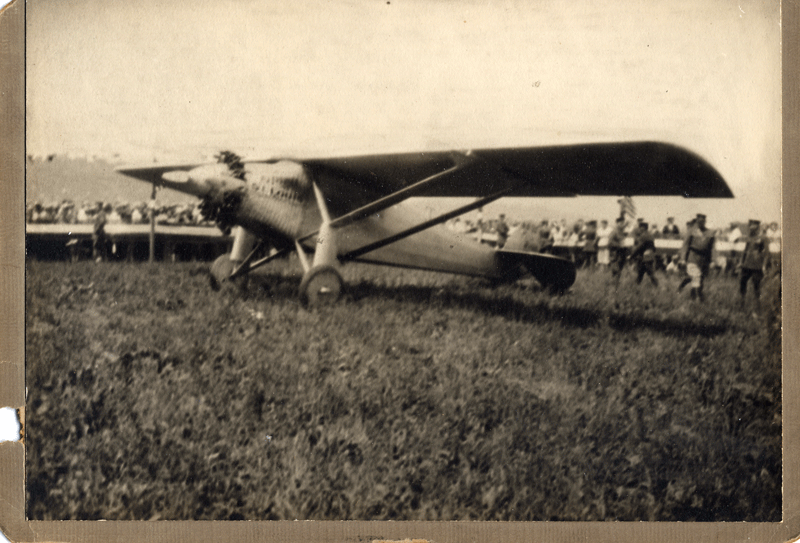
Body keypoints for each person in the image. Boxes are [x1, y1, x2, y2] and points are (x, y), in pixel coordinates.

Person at [679, 213, 714, 301]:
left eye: (702, 221)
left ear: (705, 221)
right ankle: (698, 298)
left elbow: (712, 248)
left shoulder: (710, 233)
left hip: (704, 259)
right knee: (696, 277)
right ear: (696, 221)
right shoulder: (691, 231)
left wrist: (712, 261)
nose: (700, 223)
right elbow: (685, 245)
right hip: (692, 257)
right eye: (699, 221)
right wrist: (683, 259)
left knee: (700, 280)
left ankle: (694, 297)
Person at [737, 219, 769, 306]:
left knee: (756, 285)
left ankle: (757, 304)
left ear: (758, 227)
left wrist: (764, 266)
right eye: (750, 226)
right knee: (742, 282)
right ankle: (742, 301)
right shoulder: (749, 237)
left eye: (753, 226)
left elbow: (766, 253)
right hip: (746, 264)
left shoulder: (763, 238)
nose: (751, 228)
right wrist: (741, 262)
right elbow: (745, 250)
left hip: (757, 265)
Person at [630, 221, 659, 286]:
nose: (639, 229)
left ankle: (656, 286)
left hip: (645, 258)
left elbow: (638, 248)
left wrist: (632, 256)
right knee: (641, 273)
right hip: (649, 257)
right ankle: (636, 287)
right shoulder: (650, 235)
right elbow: (653, 247)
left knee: (649, 274)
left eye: (640, 228)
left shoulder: (643, 236)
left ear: (643, 228)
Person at [607, 216, 628, 285]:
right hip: (615, 252)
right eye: (620, 223)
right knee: (616, 269)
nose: (622, 224)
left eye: (623, 223)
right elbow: (610, 241)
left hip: (621, 252)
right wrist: (619, 245)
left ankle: (616, 283)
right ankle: (614, 283)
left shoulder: (622, 231)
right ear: (617, 223)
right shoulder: (614, 231)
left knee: (620, 268)